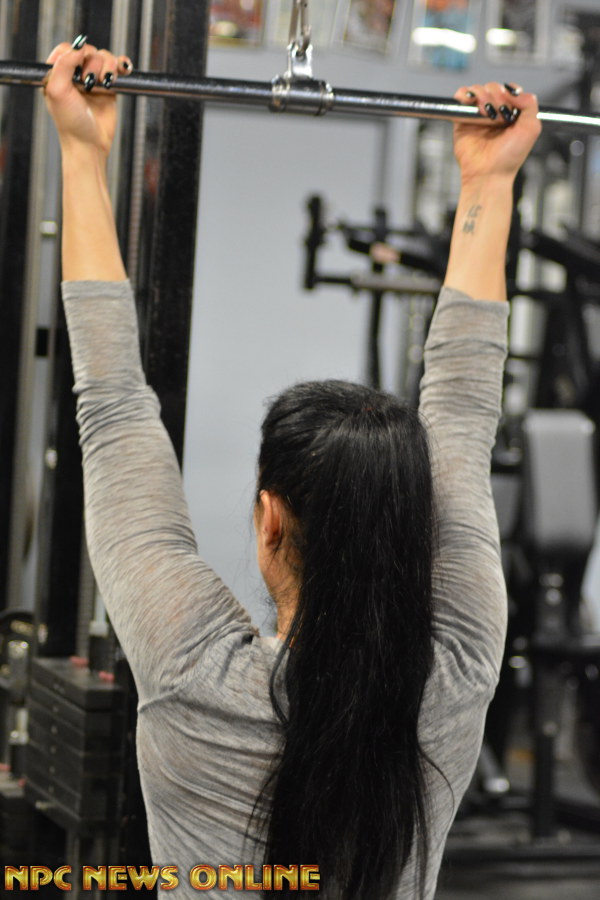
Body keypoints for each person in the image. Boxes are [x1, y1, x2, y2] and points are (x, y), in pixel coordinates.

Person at [43, 37, 541, 899]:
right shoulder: (457, 671)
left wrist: (83, 152)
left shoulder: (192, 667)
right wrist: (490, 184)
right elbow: (462, 411)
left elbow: (113, 404)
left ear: (270, 516)